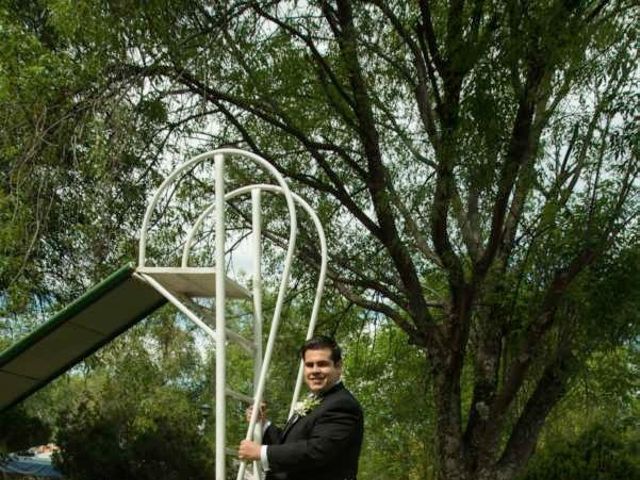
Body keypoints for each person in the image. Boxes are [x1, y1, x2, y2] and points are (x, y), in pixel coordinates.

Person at [238, 336, 364, 480]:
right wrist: (263, 423)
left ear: (338, 366)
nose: (315, 370)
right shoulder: (318, 400)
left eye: (322, 364)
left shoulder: (343, 404)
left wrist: (261, 452)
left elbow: (316, 451)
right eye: (309, 365)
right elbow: (290, 445)